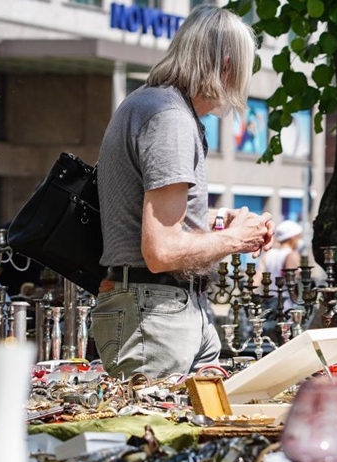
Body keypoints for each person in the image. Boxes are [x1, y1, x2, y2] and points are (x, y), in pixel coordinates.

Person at [92, 5, 275, 379]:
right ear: (227, 66)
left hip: (162, 308)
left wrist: (220, 222)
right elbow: (161, 251)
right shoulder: (170, 118)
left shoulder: (154, 105)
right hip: (155, 312)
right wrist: (236, 239)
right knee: (155, 433)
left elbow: (155, 217)